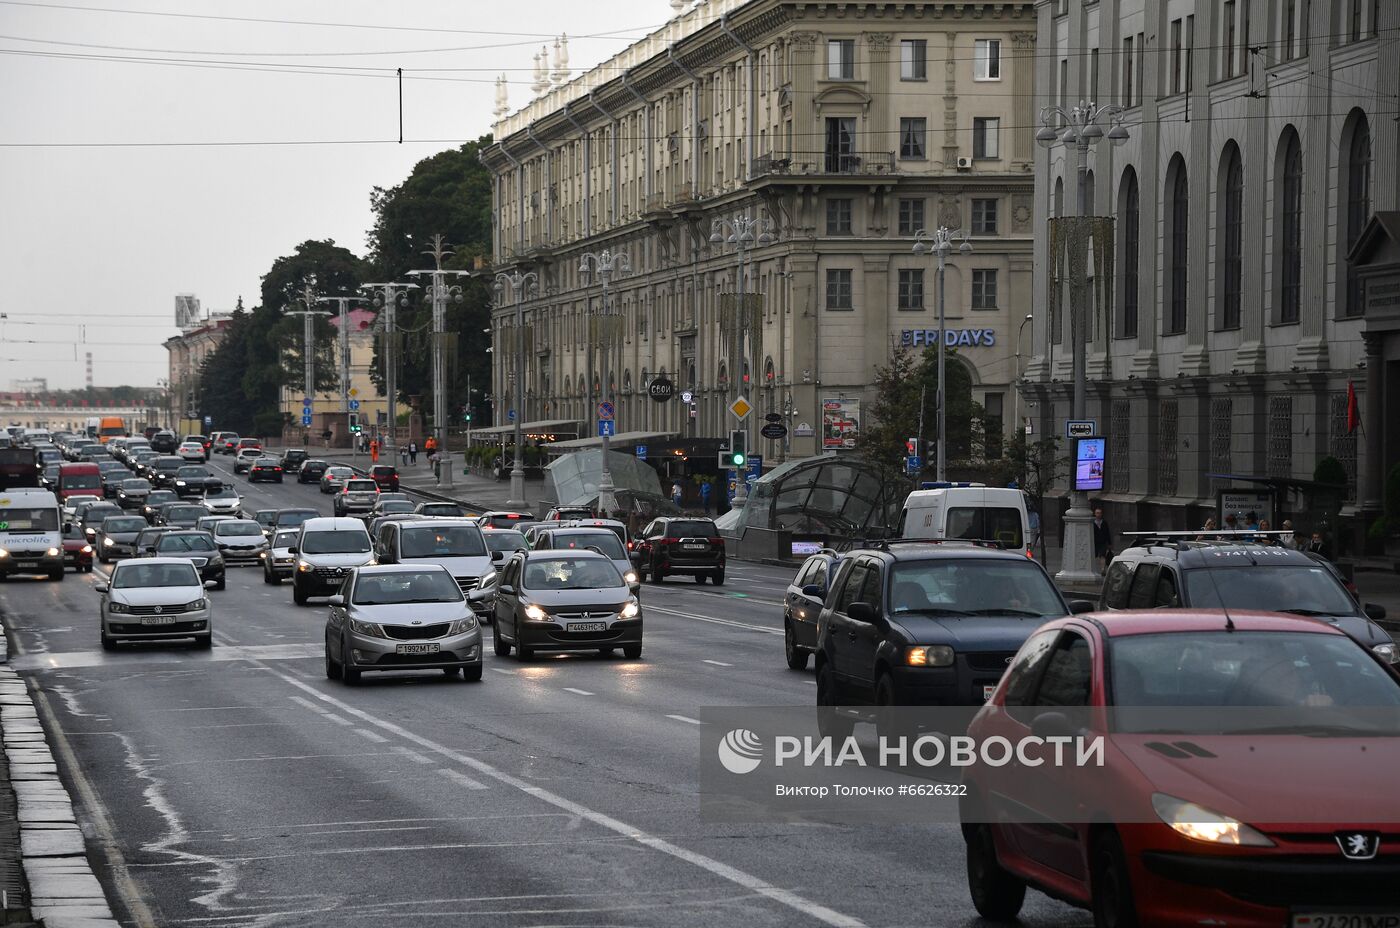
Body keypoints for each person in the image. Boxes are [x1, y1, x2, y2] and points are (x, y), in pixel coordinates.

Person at [1092, 507, 1113, 571]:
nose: (1099, 514)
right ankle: (1092, 569)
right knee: (1093, 556)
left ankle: (1103, 569)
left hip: (1103, 542)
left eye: (1100, 513)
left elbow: (1107, 533)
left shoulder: (1104, 523)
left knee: (1102, 556)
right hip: (1094, 542)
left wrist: (1109, 543)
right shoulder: (1092, 523)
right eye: (1097, 513)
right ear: (1095, 514)